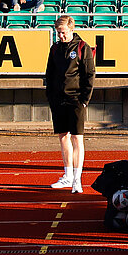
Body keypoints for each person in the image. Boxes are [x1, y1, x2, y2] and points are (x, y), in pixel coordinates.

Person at [44, 15, 95, 192]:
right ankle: (68, 175)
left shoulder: (82, 47)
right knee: (63, 137)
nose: (60, 36)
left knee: (77, 138)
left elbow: (89, 74)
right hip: (58, 99)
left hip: (76, 99)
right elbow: (49, 74)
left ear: (71, 30)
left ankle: (77, 179)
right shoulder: (55, 49)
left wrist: (85, 100)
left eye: (63, 32)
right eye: (58, 32)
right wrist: (50, 96)